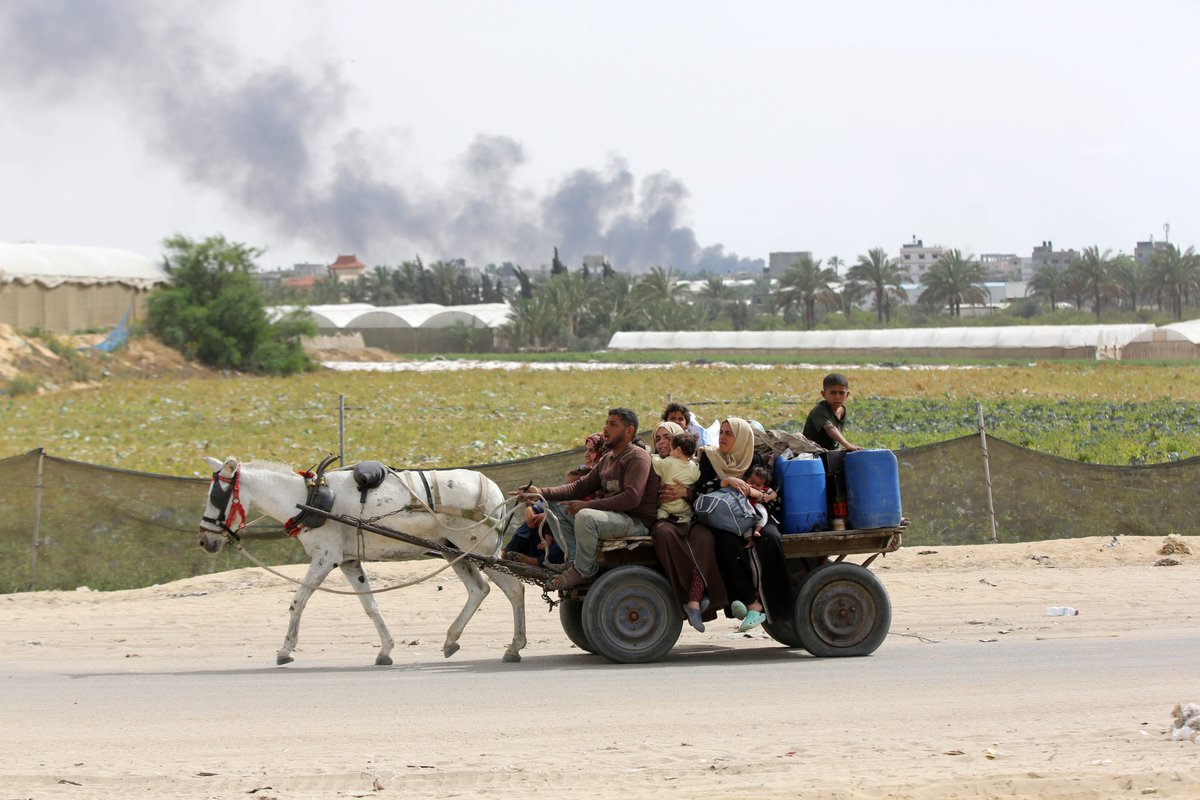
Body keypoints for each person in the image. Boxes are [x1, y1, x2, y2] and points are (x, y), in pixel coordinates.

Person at [517, 408, 659, 590]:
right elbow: (579, 487)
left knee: (586, 516)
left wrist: (589, 505)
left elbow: (632, 498)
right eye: (607, 423)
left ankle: (584, 570)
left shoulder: (637, 457)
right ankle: (574, 561)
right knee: (552, 506)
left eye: (613, 424)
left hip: (635, 521)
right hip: (614, 516)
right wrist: (540, 492)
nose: (606, 428)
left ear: (629, 431)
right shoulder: (607, 458)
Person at [698, 417, 792, 633]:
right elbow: (701, 491)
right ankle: (749, 602)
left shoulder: (754, 459)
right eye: (721, 432)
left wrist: (755, 493)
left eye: (729, 434)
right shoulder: (710, 458)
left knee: (769, 537)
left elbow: (770, 496)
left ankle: (779, 609)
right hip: (724, 517)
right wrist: (727, 481)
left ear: (741, 438)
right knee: (725, 540)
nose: (722, 437)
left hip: (753, 514)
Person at [648, 420, 728, 633]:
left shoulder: (695, 465)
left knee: (705, 538)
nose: (663, 442)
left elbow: (706, 492)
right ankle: (687, 597)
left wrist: (687, 493)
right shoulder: (653, 464)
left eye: (667, 437)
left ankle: (696, 597)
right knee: (664, 534)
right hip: (665, 520)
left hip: (690, 520)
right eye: (658, 438)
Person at [802, 373, 862, 452]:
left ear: (847, 395)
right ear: (823, 394)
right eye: (833, 393)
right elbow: (830, 428)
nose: (837, 397)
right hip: (812, 453)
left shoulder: (842, 410)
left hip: (829, 452)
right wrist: (847, 445)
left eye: (841, 393)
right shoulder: (819, 410)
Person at [652, 432, 700, 522]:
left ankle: (662, 516)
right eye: (658, 439)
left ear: (678, 450)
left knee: (661, 512)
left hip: (667, 506)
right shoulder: (693, 466)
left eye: (670, 449)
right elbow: (697, 477)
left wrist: (650, 455)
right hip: (685, 509)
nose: (669, 452)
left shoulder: (669, 462)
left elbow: (654, 463)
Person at [744, 464, 774, 543]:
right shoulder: (744, 485)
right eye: (751, 482)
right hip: (744, 506)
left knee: (764, 514)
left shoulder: (765, 489)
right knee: (745, 523)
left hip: (756, 505)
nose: (753, 486)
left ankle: (757, 529)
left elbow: (774, 493)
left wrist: (769, 497)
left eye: (758, 485)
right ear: (747, 478)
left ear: (764, 485)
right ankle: (749, 540)